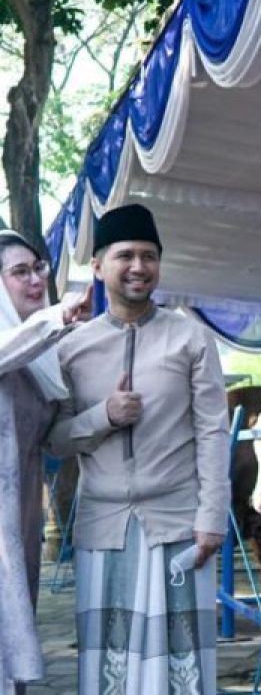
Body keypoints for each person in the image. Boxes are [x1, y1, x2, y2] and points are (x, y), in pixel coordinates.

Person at [46, 204, 230, 695]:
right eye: (125, 255)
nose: (138, 266)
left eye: (149, 256)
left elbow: (214, 431)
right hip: (104, 528)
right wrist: (104, 415)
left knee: (182, 667)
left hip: (179, 522)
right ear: (99, 265)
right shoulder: (71, 348)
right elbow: (55, 441)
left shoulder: (190, 337)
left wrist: (212, 516)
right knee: (111, 663)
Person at [0, 231, 90, 695]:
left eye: (39, 268)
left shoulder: (45, 353)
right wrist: (57, 318)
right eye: (20, 272)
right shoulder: (25, 339)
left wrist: (105, 416)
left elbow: (56, 441)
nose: (35, 280)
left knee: (14, 631)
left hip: (20, 520)